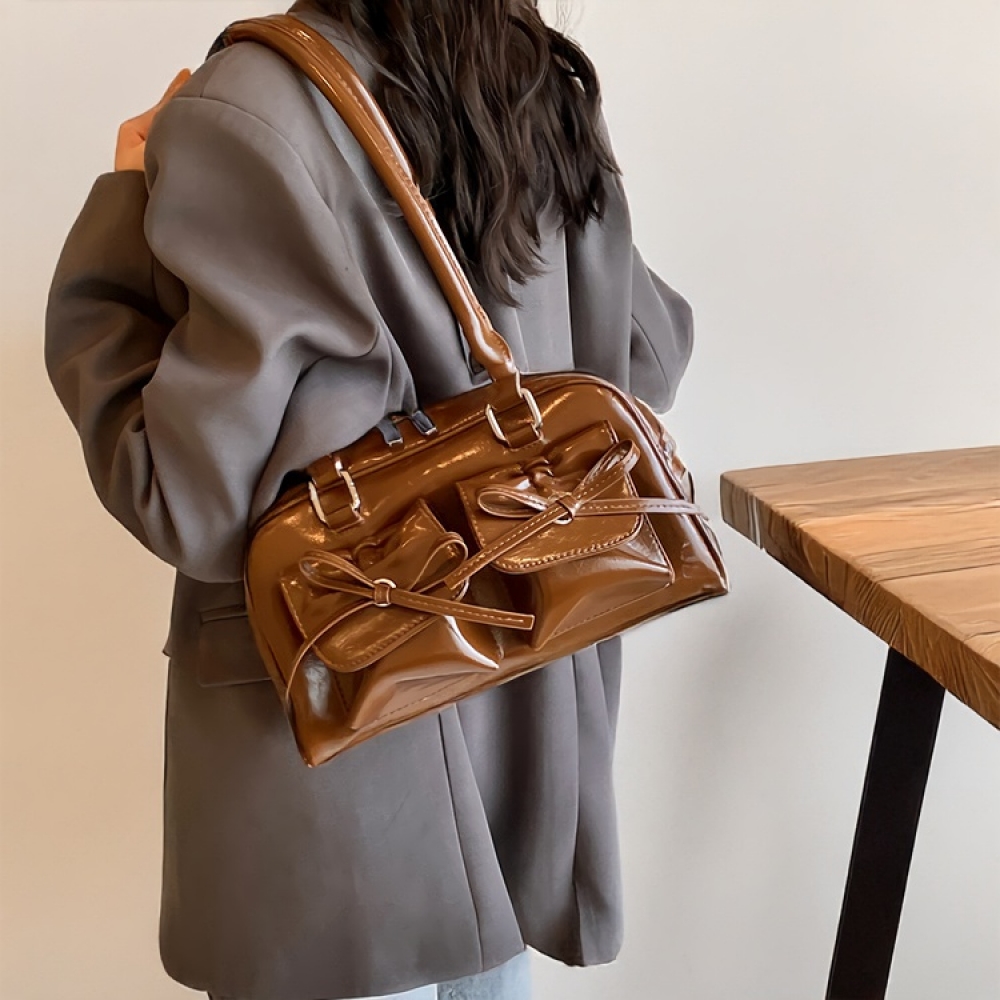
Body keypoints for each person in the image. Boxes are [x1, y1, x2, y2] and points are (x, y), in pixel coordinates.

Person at [43, 0, 694, 997]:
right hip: (524, 720)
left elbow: (189, 497)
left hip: (334, 776)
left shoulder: (247, 108)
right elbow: (643, 357)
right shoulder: (534, 87)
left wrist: (119, 219)